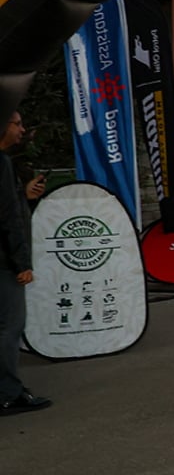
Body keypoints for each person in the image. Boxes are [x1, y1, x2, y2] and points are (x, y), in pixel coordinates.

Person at [0, 111, 52, 416]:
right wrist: (22, 263)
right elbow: (8, 218)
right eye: (17, 123)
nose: (22, 129)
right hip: (4, 262)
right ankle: (8, 393)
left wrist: (26, 197)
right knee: (10, 326)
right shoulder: (2, 163)